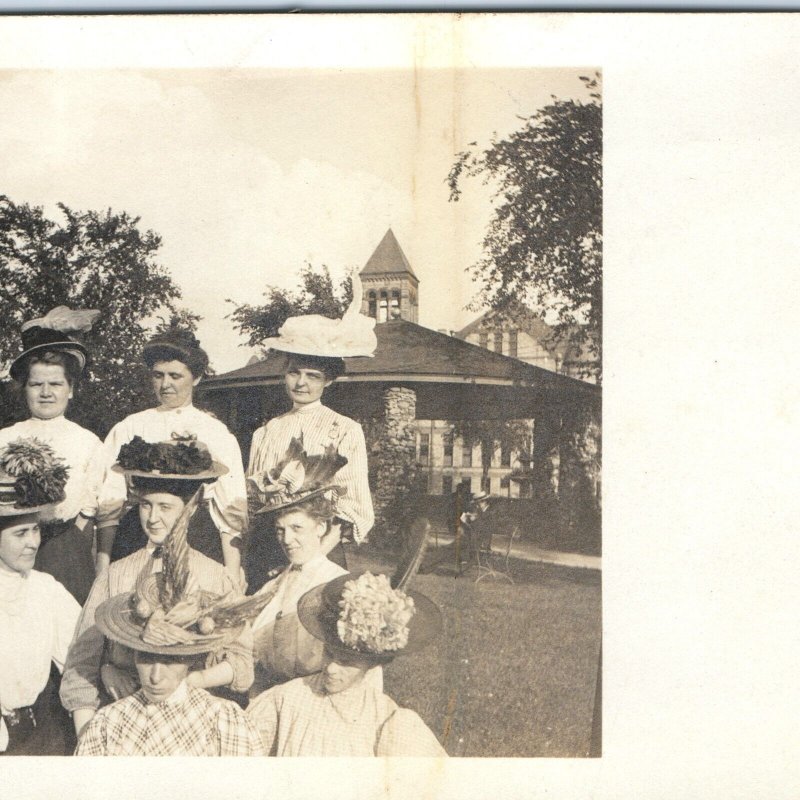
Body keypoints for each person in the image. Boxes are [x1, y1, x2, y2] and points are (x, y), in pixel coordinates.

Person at [61, 437, 254, 737]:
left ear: (189, 509)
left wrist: (192, 681)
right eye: (145, 506)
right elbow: (81, 663)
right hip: (125, 721)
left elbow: (242, 662)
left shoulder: (216, 576)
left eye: (165, 507)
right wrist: (87, 735)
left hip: (194, 723)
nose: (153, 518)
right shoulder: (116, 574)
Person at [245, 277, 376, 591]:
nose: (301, 383)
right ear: (285, 371)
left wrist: (309, 560)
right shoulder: (267, 431)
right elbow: (251, 502)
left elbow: (352, 508)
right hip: (268, 549)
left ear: (328, 381)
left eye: (312, 376)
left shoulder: (344, 430)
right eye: (294, 372)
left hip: (322, 549)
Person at [95, 327, 247, 583]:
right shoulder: (130, 426)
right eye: (158, 375)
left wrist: (232, 570)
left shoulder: (215, 431)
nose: (165, 385)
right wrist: (103, 565)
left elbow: (231, 507)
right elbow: (109, 501)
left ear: (196, 378)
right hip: (139, 532)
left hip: (197, 534)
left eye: (175, 376)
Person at [247, 571, 447, 757]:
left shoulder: (385, 719)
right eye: (329, 654)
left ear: (371, 664)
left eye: (346, 662)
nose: (332, 668)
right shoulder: (288, 698)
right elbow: (243, 746)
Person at [74, 568, 266, 755]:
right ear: (133, 654)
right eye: (146, 658)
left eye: (171, 661)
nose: (155, 677)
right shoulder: (108, 724)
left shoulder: (225, 722)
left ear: (191, 658)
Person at [1, 306, 103, 604]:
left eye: (56, 384)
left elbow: (91, 508)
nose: (46, 392)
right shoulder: (5, 438)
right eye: (36, 384)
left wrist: (71, 544)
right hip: (8, 548)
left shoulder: (88, 442)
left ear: (71, 390)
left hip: (64, 549)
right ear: (25, 389)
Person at [248, 446, 362, 696]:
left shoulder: (335, 584)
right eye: (280, 529)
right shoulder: (282, 579)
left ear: (321, 527)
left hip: (313, 696)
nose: (287, 539)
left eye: (297, 528)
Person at [0, 437, 81, 755]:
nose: (33, 542)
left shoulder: (45, 590)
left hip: (42, 735)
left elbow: (80, 655)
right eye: (20, 533)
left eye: (36, 530)